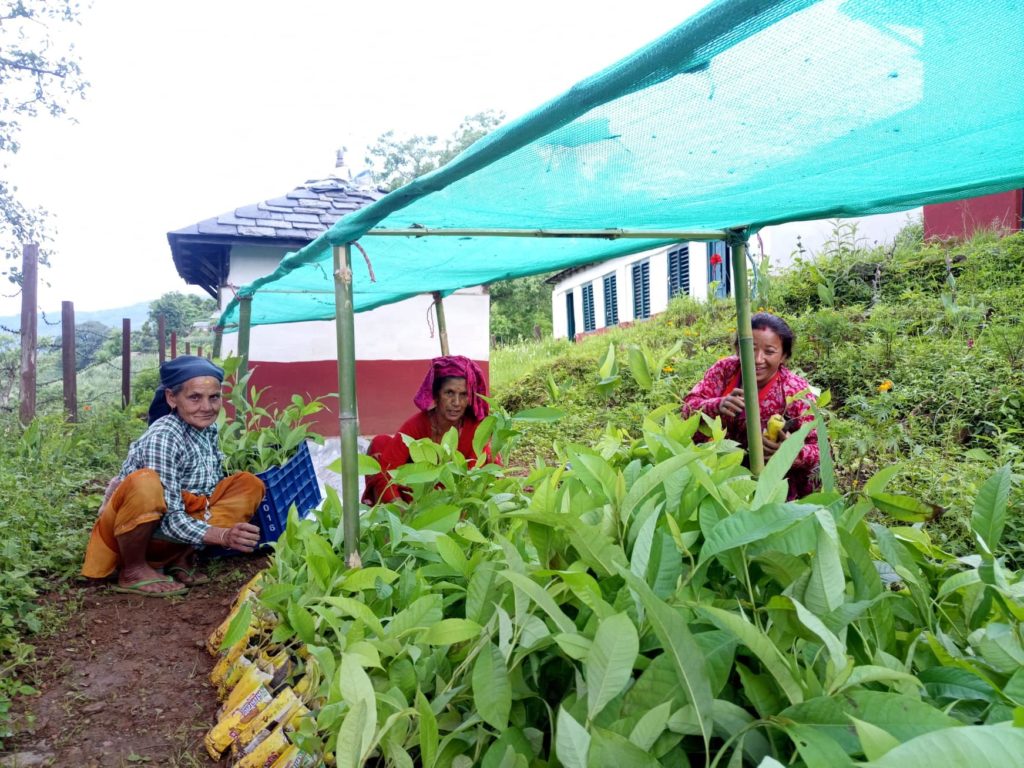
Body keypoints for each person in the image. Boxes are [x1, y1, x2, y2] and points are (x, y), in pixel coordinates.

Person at [81, 356, 264, 597]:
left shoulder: (208, 428)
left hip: (177, 528)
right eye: (195, 397)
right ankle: (134, 569)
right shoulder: (164, 436)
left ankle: (180, 558)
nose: (207, 407)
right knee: (145, 483)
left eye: (214, 397)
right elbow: (170, 517)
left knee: (248, 485)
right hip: (138, 530)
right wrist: (223, 535)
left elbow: (208, 493)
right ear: (171, 398)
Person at [680, 313, 820, 499]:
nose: (757, 359)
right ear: (738, 349)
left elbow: (818, 449)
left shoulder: (795, 391)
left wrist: (789, 452)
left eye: (769, 352)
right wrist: (717, 405)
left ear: (784, 356)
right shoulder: (726, 370)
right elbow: (687, 409)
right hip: (716, 470)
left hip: (771, 486)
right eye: (751, 349)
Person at [362, 355, 496, 505]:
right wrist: (401, 511)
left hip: (455, 498)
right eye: (449, 393)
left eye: (463, 394)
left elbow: (472, 482)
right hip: (417, 497)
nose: (456, 403)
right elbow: (387, 473)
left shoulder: (475, 429)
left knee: (489, 458)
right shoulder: (417, 425)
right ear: (436, 395)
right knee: (381, 446)